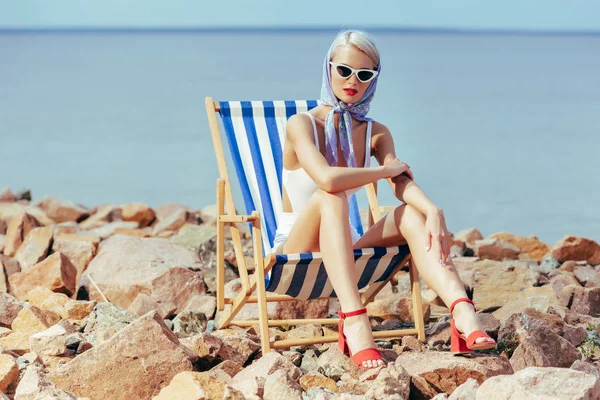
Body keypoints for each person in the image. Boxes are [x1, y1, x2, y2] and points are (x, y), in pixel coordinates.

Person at [273, 30, 496, 369]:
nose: (352, 81)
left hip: (344, 256)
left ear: (374, 79)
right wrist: (382, 172)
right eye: (344, 70)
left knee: (409, 215)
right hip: (295, 253)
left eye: (364, 75)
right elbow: (327, 178)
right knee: (331, 196)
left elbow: (401, 180)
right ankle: (355, 321)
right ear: (328, 68)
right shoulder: (300, 124)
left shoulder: (376, 132)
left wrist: (432, 210)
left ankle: (462, 311)